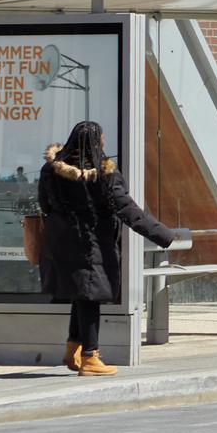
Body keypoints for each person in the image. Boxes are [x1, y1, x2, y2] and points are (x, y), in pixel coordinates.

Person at [38, 120, 178, 376]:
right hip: (92, 244)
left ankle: (73, 350)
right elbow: (127, 209)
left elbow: (44, 204)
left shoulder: (50, 170)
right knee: (91, 296)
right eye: (101, 138)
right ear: (96, 142)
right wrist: (163, 234)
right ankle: (91, 357)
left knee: (81, 295)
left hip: (60, 242)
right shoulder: (104, 174)